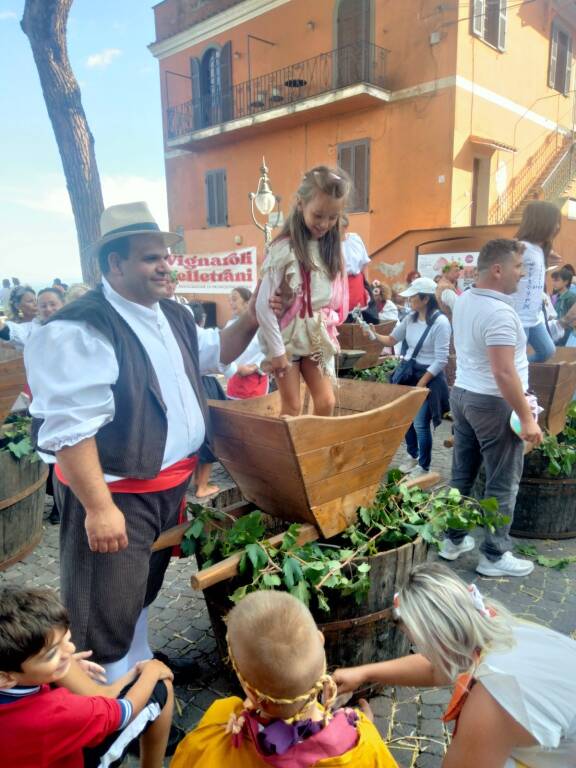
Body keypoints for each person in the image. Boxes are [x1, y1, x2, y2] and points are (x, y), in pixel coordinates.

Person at [24, 201, 279, 684]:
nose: (166, 265)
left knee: (138, 589)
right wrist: (99, 509)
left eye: (166, 256)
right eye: (150, 258)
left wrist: (258, 313)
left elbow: (216, 352)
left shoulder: (172, 314)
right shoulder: (80, 327)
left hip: (165, 485)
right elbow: (71, 430)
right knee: (104, 606)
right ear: (114, 264)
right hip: (116, 491)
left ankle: (140, 665)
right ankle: (115, 714)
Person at [334, 562, 576, 768]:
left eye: (421, 645)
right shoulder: (495, 624)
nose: (423, 653)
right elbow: (439, 668)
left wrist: (366, 742)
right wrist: (363, 673)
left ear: (439, 642)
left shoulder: (494, 697)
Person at [171, 590, 398, 768]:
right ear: (320, 640)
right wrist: (364, 728)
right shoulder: (364, 743)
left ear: (250, 690)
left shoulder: (218, 731)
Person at [440, 238, 541, 577]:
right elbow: (503, 372)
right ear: (497, 270)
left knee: (462, 474)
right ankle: (494, 556)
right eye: (517, 266)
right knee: (501, 481)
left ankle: (452, 541)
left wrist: (444, 282)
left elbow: (444, 294)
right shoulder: (498, 312)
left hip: (464, 396)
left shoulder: (467, 299)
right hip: (492, 403)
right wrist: (527, 418)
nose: (522, 274)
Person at [0, 585, 175, 768]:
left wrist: (51, 670)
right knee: (161, 686)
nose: (71, 649)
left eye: (66, 640)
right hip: (78, 758)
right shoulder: (56, 711)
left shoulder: (11, 679)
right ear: (5, 677)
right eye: (51, 654)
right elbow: (124, 712)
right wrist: (152, 669)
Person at [256, 166, 350, 417]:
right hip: (285, 337)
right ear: (300, 204)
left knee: (326, 402)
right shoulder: (283, 249)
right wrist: (276, 354)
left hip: (314, 335)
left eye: (332, 217)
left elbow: (335, 300)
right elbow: (263, 306)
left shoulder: (332, 252)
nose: (325, 224)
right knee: (293, 407)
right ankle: (290, 456)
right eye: (318, 215)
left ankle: (315, 453)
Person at [369, 277, 450, 481]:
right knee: (405, 419)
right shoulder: (410, 318)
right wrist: (372, 334)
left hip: (429, 376)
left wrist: (421, 385)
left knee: (421, 423)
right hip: (409, 373)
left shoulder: (440, 322)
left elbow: (441, 360)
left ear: (425, 299)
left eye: (413, 297)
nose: (409, 301)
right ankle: (412, 455)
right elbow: (392, 339)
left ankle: (424, 466)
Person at [512, 201, 562, 362]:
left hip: (534, 317)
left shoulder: (539, 249)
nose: (557, 227)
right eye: (555, 223)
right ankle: (516, 378)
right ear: (542, 223)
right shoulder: (521, 247)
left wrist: (548, 254)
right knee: (516, 360)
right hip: (520, 317)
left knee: (547, 350)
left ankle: (519, 369)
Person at [188, 300, 226, 499]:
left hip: (191, 386)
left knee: (196, 435)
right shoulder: (200, 334)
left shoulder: (179, 334)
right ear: (201, 320)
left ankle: (197, 479)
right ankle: (202, 485)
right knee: (210, 435)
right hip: (205, 386)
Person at [226, 288, 269, 400]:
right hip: (234, 379)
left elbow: (271, 351)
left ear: (247, 303)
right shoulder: (229, 326)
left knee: (254, 414)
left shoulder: (261, 325)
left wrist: (256, 366)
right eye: (229, 300)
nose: (231, 303)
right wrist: (235, 368)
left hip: (255, 381)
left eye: (234, 299)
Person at [341, 214, 370, 316]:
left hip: (357, 283)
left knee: (359, 315)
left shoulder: (355, 238)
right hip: (340, 284)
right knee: (342, 316)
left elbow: (365, 263)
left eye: (343, 227)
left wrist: (367, 284)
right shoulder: (330, 243)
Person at [550, 266, 576, 345]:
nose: (554, 283)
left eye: (557, 280)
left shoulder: (571, 297)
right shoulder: (555, 297)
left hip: (566, 332)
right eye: (553, 280)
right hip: (555, 329)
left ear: (566, 282)